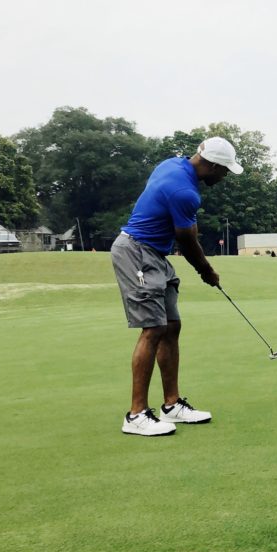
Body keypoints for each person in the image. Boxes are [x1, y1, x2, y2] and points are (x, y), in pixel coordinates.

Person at [111, 136, 243, 436]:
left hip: (154, 253)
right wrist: (206, 271)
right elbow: (186, 239)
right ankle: (136, 415)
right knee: (154, 328)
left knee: (171, 325)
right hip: (136, 251)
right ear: (210, 165)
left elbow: (185, 226)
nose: (224, 177)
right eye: (224, 171)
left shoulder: (173, 165)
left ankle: (171, 405)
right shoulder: (185, 191)